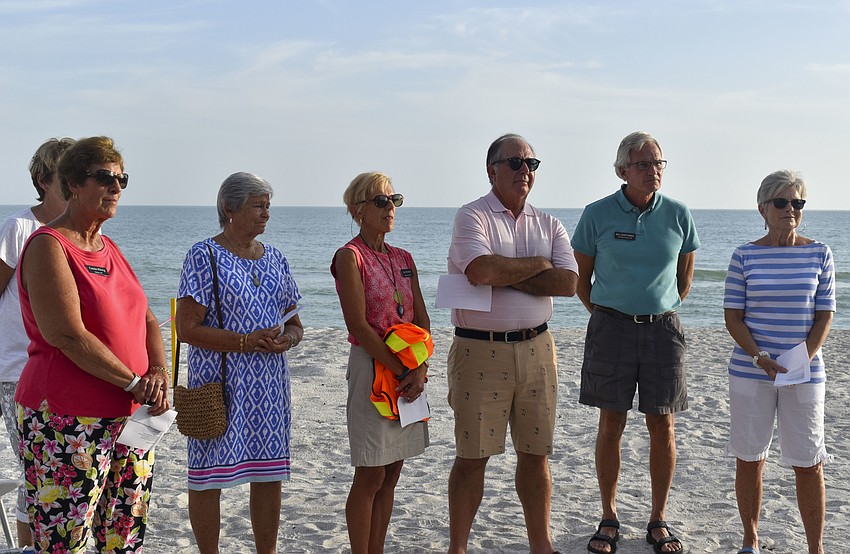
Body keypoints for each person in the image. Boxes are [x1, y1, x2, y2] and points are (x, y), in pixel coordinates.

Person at [15, 136, 170, 551]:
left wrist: (158, 373)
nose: (116, 187)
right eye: (104, 177)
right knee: (66, 539)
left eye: (122, 178)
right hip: (67, 419)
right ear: (72, 183)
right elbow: (66, 334)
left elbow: (148, 317)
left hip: (132, 418)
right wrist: (135, 382)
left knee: (122, 536)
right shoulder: (49, 245)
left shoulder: (109, 247)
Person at [446, 134, 578, 554]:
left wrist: (513, 273)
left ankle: (541, 545)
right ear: (492, 170)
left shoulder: (550, 223)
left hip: (539, 349)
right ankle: (458, 548)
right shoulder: (472, 217)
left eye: (532, 164)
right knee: (473, 456)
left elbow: (569, 283)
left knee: (536, 453)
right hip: (479, 349)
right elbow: (482, 270)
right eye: (517, 163)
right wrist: (539, 267)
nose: (526, 171)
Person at [572, 131, 699, 554]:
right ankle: (608, 516)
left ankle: (658, 519)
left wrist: (656, 309)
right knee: (611, 424)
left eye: (659, 163)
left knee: (662, 425)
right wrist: (610, 315)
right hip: (611, 329)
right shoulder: (596, 214)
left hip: (664, 331)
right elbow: (581, 281)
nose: (653, 171)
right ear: (623, 169)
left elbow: (684, 279)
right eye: (644, 164)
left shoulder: (679, 214)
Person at [176, 172, 303, 554]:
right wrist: (244, 342)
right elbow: (186, 329)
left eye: (268, 206)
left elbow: (296, 324)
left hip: (269, 387)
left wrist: (287, 339)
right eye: (257, 205)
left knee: (268, 476)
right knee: (206, 478)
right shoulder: (204, 255)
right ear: (229, 209)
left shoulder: (276, 258)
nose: (266, 214)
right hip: (219, 385)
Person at [723, 170, 834, 554]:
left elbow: (825, 315)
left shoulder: (820, 252)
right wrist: (759, 357)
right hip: (752, 371)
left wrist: (805, 357)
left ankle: (815, 548)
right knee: (750, 457)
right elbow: (733, 316)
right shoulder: (744, 255)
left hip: (804, 373)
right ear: (763, 209)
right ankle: (750, 540)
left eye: (797, 203)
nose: (791, 210)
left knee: (809, 462)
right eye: (782, 202)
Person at [330, 171, 430, 554]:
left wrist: (419, 369)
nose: (390, 208)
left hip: (409, 370)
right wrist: (402, 368)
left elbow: (421, 320)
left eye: (394, 200)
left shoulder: (404, 258)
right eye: (381, 201)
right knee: (370, 472)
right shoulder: (349, 256)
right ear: (358, 211)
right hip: (373, 366)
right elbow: (357, 323)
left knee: (392, 471)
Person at [0, 137, 75, 549]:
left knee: (44, 473)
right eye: (69, 173)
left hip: (58, 371)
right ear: (45, 179)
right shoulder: (20, 228)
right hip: (15, 370)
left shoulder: (79, 233)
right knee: (37, 472)